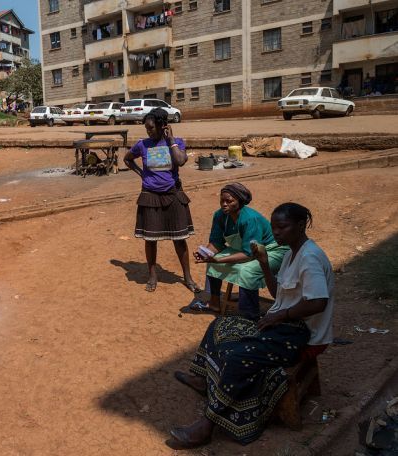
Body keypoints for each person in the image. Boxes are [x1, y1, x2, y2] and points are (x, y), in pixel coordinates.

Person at [169, 203, 334, 449]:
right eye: (274, 227)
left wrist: (280, 316)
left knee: (238, 357)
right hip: (286, 324)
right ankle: (204, 380)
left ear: (300, 226)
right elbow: (279, 293)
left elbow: (318, 302)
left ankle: (208, 423)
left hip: (303, 335)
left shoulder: (309, 258)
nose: (276, 232)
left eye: (282, 227)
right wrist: (265, 263)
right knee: (222, 325)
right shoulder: (291, 252)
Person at [123, 108, 199, 293]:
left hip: (172, 194)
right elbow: (127, 159)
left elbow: (180, 161)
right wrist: (141, 174)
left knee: (179, 239)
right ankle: (152, 275)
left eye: (151, 128)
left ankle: (187, 277)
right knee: (150, 239)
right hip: (150, 195)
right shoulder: (142, 145)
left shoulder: (178, 143)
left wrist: (171, 140)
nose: (148, 132)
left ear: (163, 126)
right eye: (147, 128)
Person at [191, 183, 288, 317]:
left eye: (229, 201)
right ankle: (214, 303)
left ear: (240, 202)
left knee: (247, 271)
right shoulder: (220, 215)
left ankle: (249, 314)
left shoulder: (250, 219)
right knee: (212, 263)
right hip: (245, 249)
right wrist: (206, 253)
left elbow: (248, 254)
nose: (224, 204)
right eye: (222, 201)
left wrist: (218, 259)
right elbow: (216, 243)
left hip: (272, 250)